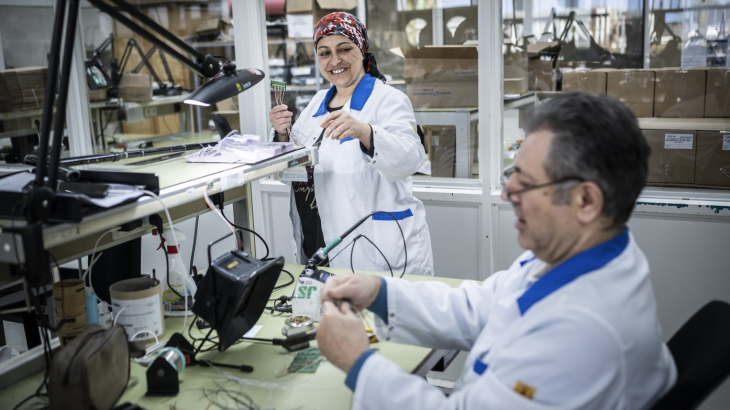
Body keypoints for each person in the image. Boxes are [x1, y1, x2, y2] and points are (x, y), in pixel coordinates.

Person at [316, 92, 677, 409]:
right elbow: (480, 306)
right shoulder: (574, 254)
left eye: (527, 182)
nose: (507, 194)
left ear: (585, 200)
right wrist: (379, 293)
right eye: (512, 173)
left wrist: (359, 363)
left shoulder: (585, 331)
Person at [268, 12, 433, 276]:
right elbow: (290, 172)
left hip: (373, 248)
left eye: (344, 49)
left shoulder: (387, 99)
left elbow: (411, 158)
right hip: (318, 242)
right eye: (324, 53)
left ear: (362, 49)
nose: (334, 60)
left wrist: (366, 132)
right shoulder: (317, 103)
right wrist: (282, 136)